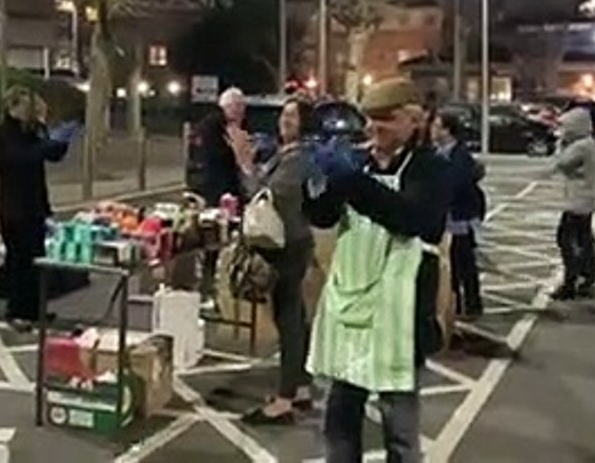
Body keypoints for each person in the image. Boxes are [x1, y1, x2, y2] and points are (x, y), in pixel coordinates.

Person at [304, 78, 450, 463]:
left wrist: (354, 182)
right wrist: (316, 182)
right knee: (338, 423)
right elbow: (322, 217)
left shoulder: (429, 168)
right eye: (370, 119)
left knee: (399, 430)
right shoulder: (360, 161)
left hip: (398, 320)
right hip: (351, 308)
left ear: (412, 121)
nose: (374, 128)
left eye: (385, 119)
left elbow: (417, 219)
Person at [228, 97, 317, 424]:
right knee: (295, 316)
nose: (285, 120)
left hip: (287, 246)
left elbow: (265, 196)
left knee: (288, 320)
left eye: (292, 116)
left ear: (305, 123)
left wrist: (245, 164)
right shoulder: (289, 154)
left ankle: (285, 398)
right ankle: (302, 387)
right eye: (284, 115)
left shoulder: (299, 158)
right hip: (291, 242)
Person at [0, 87, 81, 332]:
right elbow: (19, 159)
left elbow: (51, 155)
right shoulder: (3, 134)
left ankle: (33, 310)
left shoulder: (28, 132)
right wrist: (46, 142)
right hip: (15, 208)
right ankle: (17, 310)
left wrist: (59, 139)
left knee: (36, 262)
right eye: (27, 108)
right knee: (19, 262)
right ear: (13, 107)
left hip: (35, 206)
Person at [430, 111, 487, 319]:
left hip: (460, 218)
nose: (433, 130)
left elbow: (456, 185)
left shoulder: (459, 156)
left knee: (464, 264)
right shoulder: (438, 153)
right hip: (447, 218)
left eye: (437, 126)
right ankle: (454, 306)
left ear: (447, 130)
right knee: (450, 265)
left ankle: (472, 305)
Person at [192, 86, 247, 300]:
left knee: (221, 240)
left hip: (226, 190)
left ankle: (217, 284)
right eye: (239, 107)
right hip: (217, 191)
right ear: (229, 106)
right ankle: (209, 286)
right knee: (213, 241)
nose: (242, 112)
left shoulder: (230, 127)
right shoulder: (215, 127)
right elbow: (218, 159)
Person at [551, 106, 595, 300]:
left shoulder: (581, 146)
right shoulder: (587, 143)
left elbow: (561, 163)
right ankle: (588, 277)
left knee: (566, 240)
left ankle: (571, 281)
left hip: (578, 203)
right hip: (584, 200)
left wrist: (560, 143)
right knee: (584, 240)